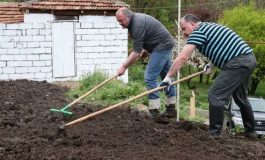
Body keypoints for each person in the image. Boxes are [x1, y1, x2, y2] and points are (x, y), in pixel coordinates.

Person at [160, 14, 257, 138]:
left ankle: (214, 134)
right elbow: (222, 47)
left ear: (193, 24)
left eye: (184, 28)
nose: (184, 33)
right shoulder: (210, 27)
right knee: (240, 98)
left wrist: (168, 77)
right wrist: (211, 64)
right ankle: (251, 132)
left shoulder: (198, 32)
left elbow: (183, 57)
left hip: (238, 62)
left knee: (215, 95)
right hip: (248, 59)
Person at [115, 7, 177, 123]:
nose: (120, 23)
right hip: (163, 44)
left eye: (121, 20)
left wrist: (123, 67)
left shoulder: (137, 25)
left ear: (128, 17)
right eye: (118, 21)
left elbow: (135, 53)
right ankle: (171, 108)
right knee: (167, 76)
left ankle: (154, 111)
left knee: (150, 77)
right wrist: (144, 49)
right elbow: (147, 37)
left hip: (162, 46)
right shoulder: (135, 21)